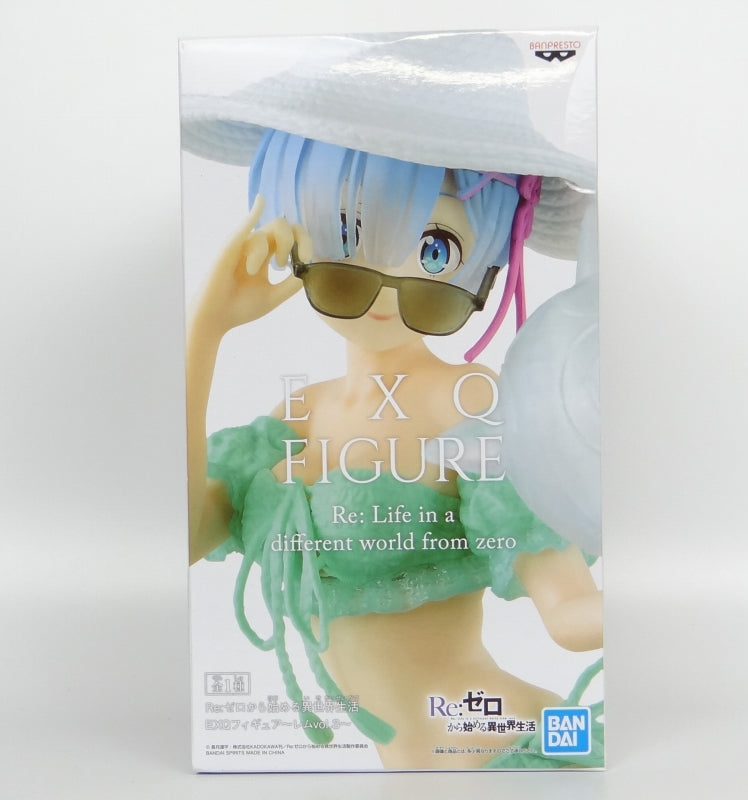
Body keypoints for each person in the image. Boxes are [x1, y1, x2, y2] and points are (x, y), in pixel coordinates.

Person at [182, 32, 602, 769]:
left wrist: (703, 587)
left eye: (435, 250)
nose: (384, 283)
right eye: (347, 234)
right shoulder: (290, 422)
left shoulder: (470, 407)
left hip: (494, 749)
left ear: (488, 259)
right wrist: (206, 336)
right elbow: (181, 537)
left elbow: (566, 608)